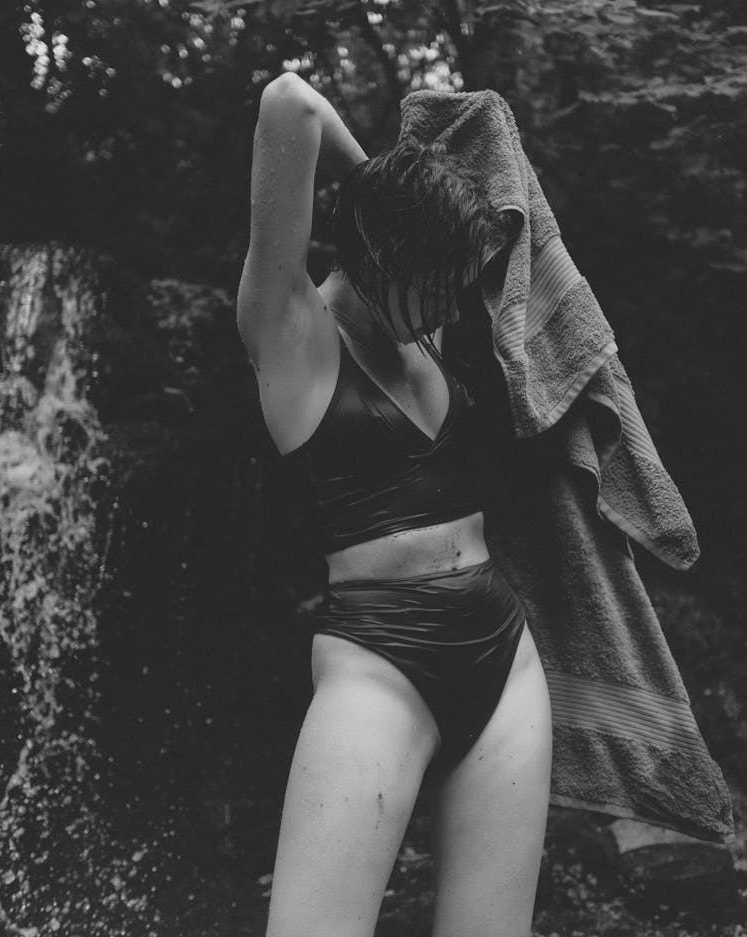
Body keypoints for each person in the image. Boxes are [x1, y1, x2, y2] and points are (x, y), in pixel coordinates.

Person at [237, 71, 552, 937]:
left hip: (503, 656)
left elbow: (423, 271)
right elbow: (289, 101)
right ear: (382, 253)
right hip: (380, 664)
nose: (455, 304)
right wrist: (376, 181)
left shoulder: (422, 326)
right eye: (441, 279)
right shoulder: (290, 329)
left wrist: (403, 206)